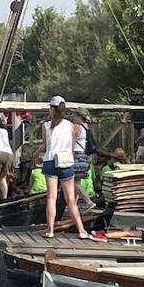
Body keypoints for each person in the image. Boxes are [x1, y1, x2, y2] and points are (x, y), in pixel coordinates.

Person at [41, 96, 94, 240]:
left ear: (52, 109)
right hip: (65, 161)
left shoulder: (45, 126)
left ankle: (50, 230)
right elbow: (71, 145)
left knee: (51, 197)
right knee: (70, 198)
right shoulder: (71, 126)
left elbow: (46, 146)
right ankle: (81, 231)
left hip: (50, 161)